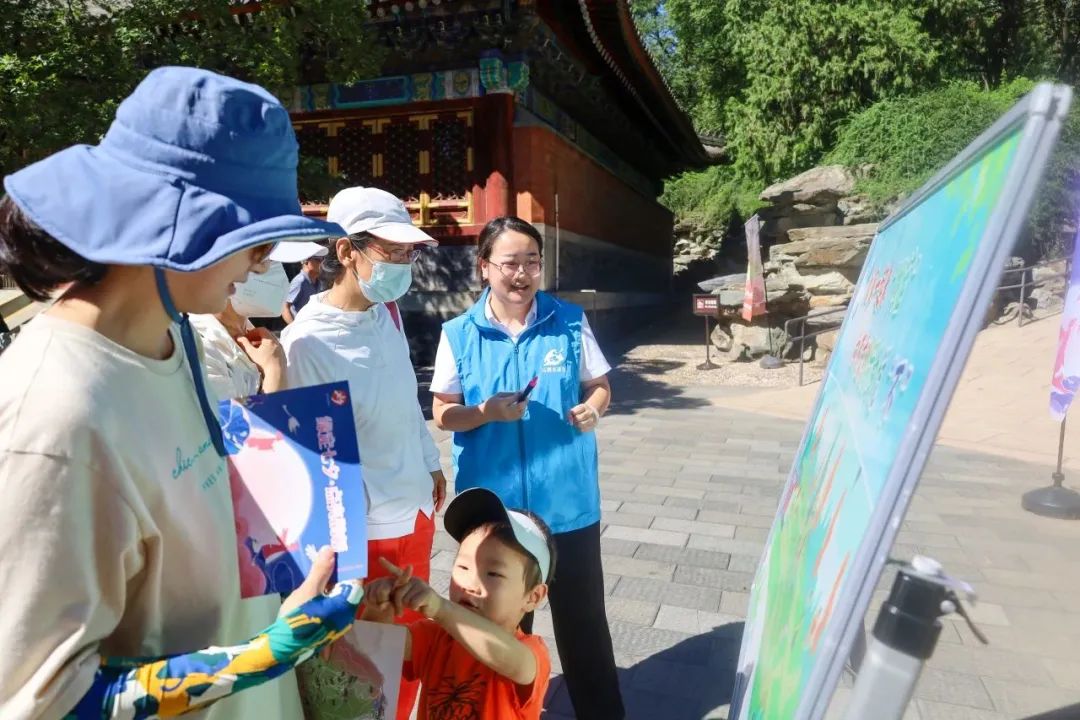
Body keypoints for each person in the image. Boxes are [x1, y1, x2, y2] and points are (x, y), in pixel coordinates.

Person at [0, 66, 362, 720]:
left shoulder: (179, 339)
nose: (261, 262)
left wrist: (304, 591)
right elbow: (40, 701)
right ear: (182, 229)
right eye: (253, 241)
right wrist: (261, 656)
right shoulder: (55, 417)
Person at [430, 215, 623, 719]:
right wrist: (484, 412)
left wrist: (594, 409)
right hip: (497, 514)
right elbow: (443, 412)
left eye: (532, 262)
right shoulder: (459, 333)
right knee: (503, 629)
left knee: (583, 625)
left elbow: (599, 385)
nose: (522, 274)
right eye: (510, 263)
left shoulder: (569, 321)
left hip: (568, 505)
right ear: (484, 267)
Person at [280, 186, 447, 720]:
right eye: (390, 250)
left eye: (407, 252)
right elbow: (312, 458)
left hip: (415, 507)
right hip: (368, 528)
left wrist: (430, 461)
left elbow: (406, 398)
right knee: (368, 665)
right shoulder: (306, 342)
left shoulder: (387, 315)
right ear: (346, 251)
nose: (403, 262)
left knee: (409, 650)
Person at [362, 488, 553, 720]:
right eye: (463, 567)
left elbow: (508, 657)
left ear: (533, 597)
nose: (471, 583)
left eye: (493, 573)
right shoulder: (435, 637)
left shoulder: (532, 654)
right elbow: (376, 648)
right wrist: (378, 609)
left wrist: (442, 609)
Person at [191, 242, 327, 400]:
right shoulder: (199, 347)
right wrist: (274, 369)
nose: (275, 272)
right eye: (265, 260)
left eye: (276, 262)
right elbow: (236, 418)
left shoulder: (258, 338)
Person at [281, 252, 324, 324]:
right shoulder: (300, 281)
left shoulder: (318, 282)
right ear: (306, 261)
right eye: (318, 259)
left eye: (323, 260)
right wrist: (293, 327)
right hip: (299, 327)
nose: (322, 263)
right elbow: (284, 307)